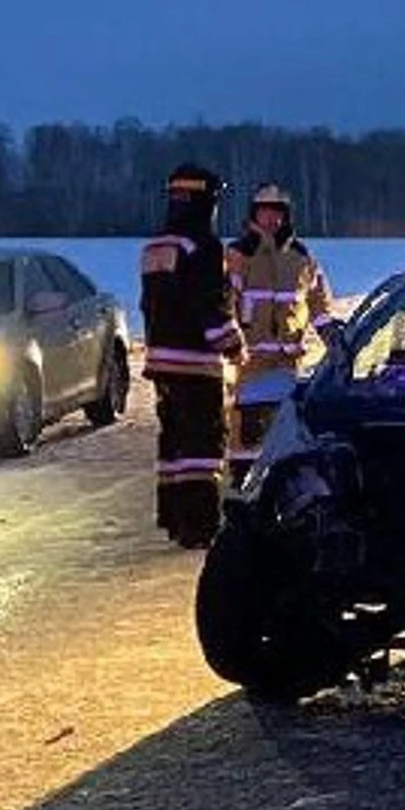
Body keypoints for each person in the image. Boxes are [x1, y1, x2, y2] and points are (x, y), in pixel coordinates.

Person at [139, 164, 242, 549]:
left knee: (174, 443)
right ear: (207, 201)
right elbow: (207, 304)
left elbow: (152, 304)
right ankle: (200, 525)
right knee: (202, 444)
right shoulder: (202, 245)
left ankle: (173, 518)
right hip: (195, 363)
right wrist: (231, 343)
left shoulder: (157, 246)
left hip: (162, 361)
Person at [225, 183, 340, 483]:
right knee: (246, 439)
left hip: (289, 367)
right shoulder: (237, 255)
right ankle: (242, 491)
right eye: (265, 212)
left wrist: (334, 340)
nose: (271, 220)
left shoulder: (302, 258)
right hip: (248, 366)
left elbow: (319, 304)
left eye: (277, 213)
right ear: (254, 214)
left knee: (287, 436)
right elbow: (223, 304)